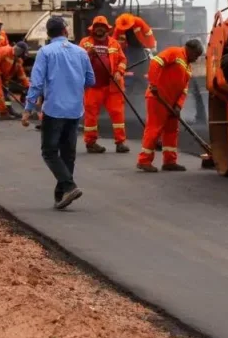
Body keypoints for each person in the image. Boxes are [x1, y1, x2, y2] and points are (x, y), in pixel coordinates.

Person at [23, 16, 95, 210]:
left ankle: (69, 186)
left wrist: (28, 108)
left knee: (49, 151)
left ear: (48, 33)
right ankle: (61, 194)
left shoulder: (45, 52)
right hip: (74, 109)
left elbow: (36, 83)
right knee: (67, 153)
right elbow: (90, 80)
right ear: (65, 31)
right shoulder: (81, 52)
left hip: (54, 109)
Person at [137, 39, 204, 172]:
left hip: (171, 104)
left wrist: (178, 106)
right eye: (196, 55)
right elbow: (156, 62)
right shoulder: (174, 52)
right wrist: (154, 84)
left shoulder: (188, 67)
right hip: (157, 98)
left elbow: (184, 89)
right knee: (154, 128)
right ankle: (144, 160)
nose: (196, 59)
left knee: (172, 131)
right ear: (189, 49)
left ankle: (169, 161)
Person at [78, 16, 129, 154]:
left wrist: (119, 71)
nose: (99, 29)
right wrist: (89, 54)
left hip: (112, 86)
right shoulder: (85, 43)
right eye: (97, 26)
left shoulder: (114, 43)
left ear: (107, 29)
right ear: (93, 29)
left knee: (117, 114)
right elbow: (77, 61)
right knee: (91, 115)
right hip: (92, 86)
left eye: (102, 26)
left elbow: (123, 60)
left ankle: (120, 142)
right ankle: (91, 143)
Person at [0, 40, 30, 112]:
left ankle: (9, 111)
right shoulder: (4, 51)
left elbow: (21, 75)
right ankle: (5, 113)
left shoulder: (18, 60)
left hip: (3, 78)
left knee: (5, 95)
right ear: (19, 51)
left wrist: (27, 86)